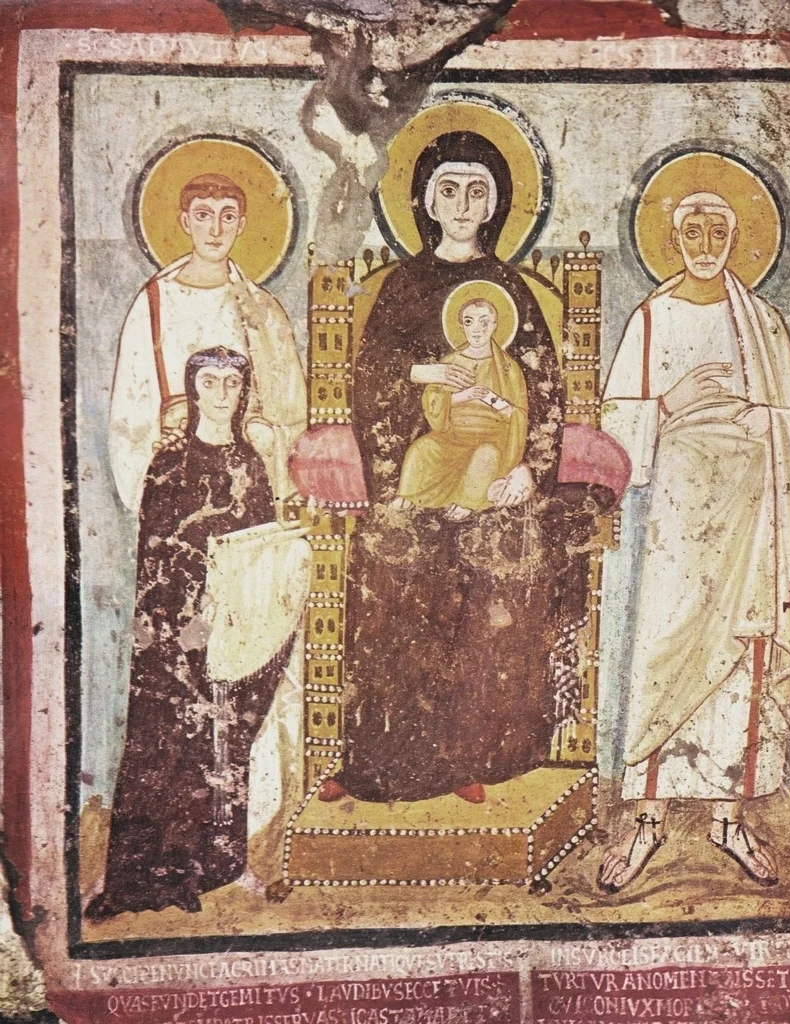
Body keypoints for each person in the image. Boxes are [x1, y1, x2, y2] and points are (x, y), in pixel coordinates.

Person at [315, 131, 613, 807]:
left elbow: (543, 394)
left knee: (491, 587)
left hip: (494, 477)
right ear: (424, 201)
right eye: (447, 190)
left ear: (494, 205)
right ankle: (374, 767)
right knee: (392, 582)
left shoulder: (510, 290)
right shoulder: (403, 287)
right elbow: (372, 382)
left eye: (476, 192)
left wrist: (530, 470)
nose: (460, 204)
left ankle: (472, 759)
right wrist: (423, 376)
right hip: (416, 477)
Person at [599, 192, 790, 891]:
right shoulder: (652, 317)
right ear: (672, 239)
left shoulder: (764, 323)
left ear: (734, 236)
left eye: (716, 230)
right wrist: (674, 400)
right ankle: (648, 820)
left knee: (745, 652)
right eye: (691, 231)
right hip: (677, 513)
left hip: (752, 510)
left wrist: (763, 421)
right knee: (664, 647)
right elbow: (613, 425)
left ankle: (728, 818)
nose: (703, 243)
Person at [86, 348, 293, 920]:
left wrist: (234, 612)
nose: (222, 393)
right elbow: (152, 547)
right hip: (170, 628)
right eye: (210, 381)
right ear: (193, 389)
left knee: (220, 744)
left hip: (228, 627)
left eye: (232, 383)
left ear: (243, 391)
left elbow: (259, 548)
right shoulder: (169, 462)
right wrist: (171, 621)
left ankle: (212, 866)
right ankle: (137, 876)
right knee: (161, 745)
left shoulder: (249, 462)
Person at [109, 173, 306, 513]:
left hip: (247, 478)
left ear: (241, 225)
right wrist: (160, 454)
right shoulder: (153, 304)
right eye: (203, 215)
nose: (215, 230)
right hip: (177, 478)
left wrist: (263, 435)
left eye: (227, 217)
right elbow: (130, 414)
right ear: (185, 221)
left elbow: (292, 411)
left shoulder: (263, 311)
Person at [394, 295, 528, 521]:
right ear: (461, 325)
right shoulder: (450, 361)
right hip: (452, 438)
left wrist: (496, 403)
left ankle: (467, 501)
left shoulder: (508, 368)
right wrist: (460, 397)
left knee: (486, 456)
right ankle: (409, 495)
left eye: (484, 322)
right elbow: (432, 402)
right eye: (469, 321)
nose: (477, 329)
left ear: (495, 325)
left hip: (491, 440)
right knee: (422, 448)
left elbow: (520, 416)